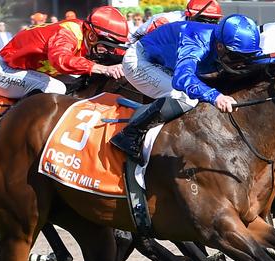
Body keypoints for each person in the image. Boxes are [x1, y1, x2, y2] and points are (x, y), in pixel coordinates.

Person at [112, 14, 264, 163]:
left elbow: (258, 60)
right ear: (220, 46)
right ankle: (130, 134)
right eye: (236, 57)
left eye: (245, 56)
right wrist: (216, 97)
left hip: (165, 63)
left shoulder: (223, 43)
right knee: (185, 98)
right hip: (139, 61)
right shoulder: (196, 40)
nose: (240, 63)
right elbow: (182, 78)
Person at [0, 6, 128, 99]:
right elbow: (61, 60)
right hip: (6, 70)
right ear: (92, 36)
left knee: (79, 88)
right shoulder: (67, 34)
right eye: (107, 46)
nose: (109, 50)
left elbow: (120, 52)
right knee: (57, 89)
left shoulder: (89, 36)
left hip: (35, 71)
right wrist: (103, 68)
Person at [129, 0, 222, 43]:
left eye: (214, 22)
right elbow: (138, 40)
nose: (209, 26)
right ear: (189, 16)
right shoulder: (165, 21)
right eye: (204, 21)